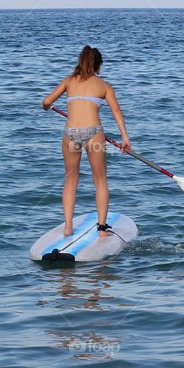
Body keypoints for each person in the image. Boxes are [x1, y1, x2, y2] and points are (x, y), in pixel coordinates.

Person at [42, 46, 131, 236]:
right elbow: (117, 112)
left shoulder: (68, 81)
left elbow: (46, 102)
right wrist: (124, 137)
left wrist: (48, 106)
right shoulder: (104, 86)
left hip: (70, 134)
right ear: (98, 65)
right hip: (94, 134)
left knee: (70, 180)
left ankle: (67, 227)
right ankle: (101, 229)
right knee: (100, 181)